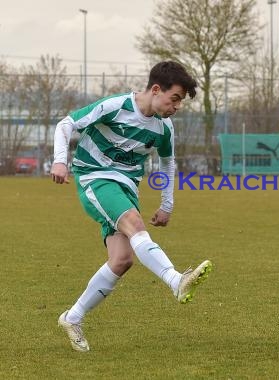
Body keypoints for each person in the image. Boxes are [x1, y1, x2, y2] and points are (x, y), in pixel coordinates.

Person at [51, 61, 213, 352]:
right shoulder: (115, 106)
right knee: (135, 224)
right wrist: (60, 160)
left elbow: (168, 163)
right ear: (155, 89)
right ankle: (176, 281)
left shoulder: (164, 127)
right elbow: (67, 123)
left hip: (126, 187)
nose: (176, 107)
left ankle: (72, 317)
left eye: (180, 102)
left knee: (122, 260)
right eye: (174, 98)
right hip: (95, 177)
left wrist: (167, 205)